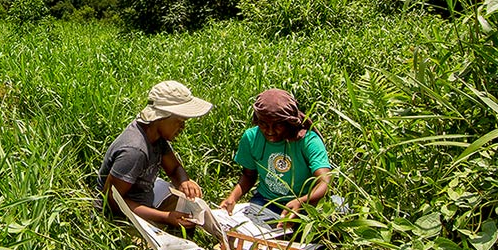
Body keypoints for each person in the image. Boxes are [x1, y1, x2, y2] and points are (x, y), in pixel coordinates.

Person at [98, 80, 212, 229]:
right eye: (179, 121)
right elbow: (114, 200)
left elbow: (174, 168)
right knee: (153, 248)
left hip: (145, 198)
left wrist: (184, 181)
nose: (183, 127)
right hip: (122, 215)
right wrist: (165, 217)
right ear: (161, 117)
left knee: (193, 210)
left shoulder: (156, 136)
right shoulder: (134, 151)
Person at [221, 89, 332, 225]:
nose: (270, 131)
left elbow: (324, 181)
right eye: (263, 124)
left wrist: (301, 202)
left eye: (278, 125)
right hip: (266, 201)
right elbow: (249, 175)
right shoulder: (251, 138)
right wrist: (232, 198)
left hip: (305, 203)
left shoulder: (308, 141)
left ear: (289, 122)